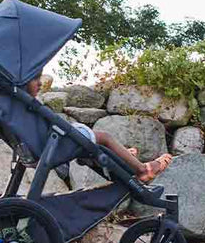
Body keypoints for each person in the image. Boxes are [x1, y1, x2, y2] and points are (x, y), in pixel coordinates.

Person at [25, 75, 172, 182]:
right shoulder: (28, 104)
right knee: (104, 137)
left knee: (92, 142)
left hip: (39, 147)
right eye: (35, 78)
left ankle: (121, 156)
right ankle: (143, 170)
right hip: (51, 144)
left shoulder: (18, 108)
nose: (40, 83)